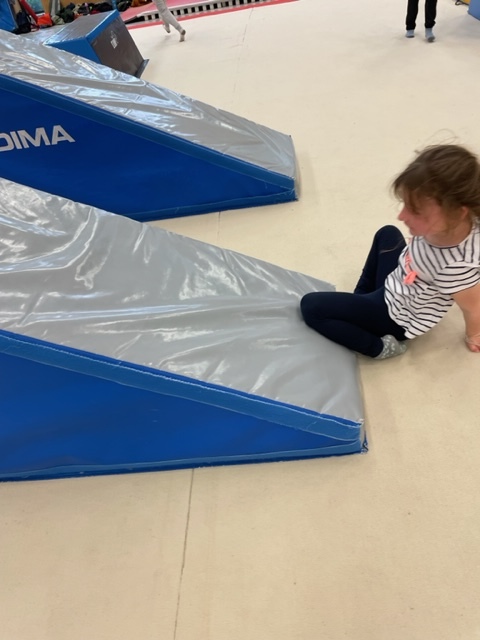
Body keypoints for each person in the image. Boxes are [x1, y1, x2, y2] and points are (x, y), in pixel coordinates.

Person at [300, 144, 480, 360]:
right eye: (405, 205)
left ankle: (378, 347)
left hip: (397, 317)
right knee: (387, 233)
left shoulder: (455, 267)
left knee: (311, 307)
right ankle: (361, 297)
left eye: (415, 212)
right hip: (401, 279)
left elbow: (473, 308)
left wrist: (474, 335)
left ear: (458, 214)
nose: (402, 216)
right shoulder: (459, 223)